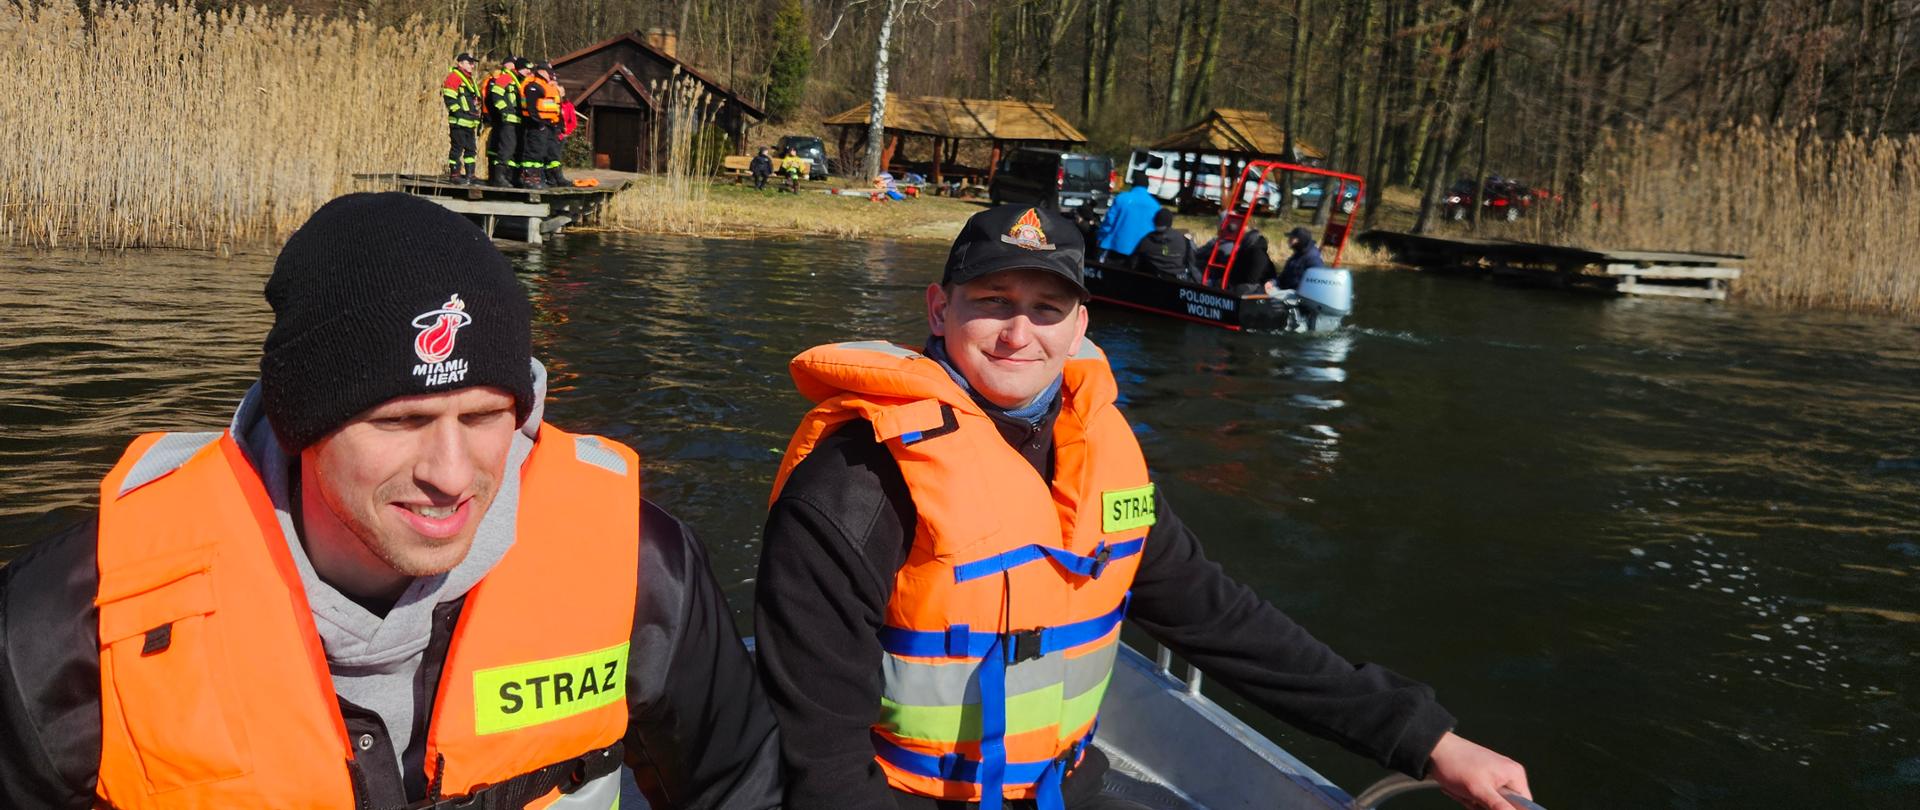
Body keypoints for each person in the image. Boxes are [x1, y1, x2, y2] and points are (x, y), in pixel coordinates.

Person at [0, 193, 783, 810]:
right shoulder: (71, 623)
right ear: (300, 421)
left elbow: (740, 780)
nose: (452, 473)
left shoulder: (638, 566)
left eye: (483, 417)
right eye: (401, 422)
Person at [754, 204, 1532, 810]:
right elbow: (822, 757)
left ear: (1082, 325)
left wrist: (1428, 740)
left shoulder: (1097, 459)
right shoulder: (855, 483)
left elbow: (1221, 621)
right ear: (937, 309)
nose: (1019, 332)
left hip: (1065, 784)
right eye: (992, 300)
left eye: (1047, 308)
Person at [518, 61, 563, 189]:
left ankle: (535, 179)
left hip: (544, 124)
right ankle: (529, 179)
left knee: (539, 152)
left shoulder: (543, 85)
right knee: (533, 151)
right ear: (542, 72)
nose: (551, 76)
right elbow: (531, 107)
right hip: (535, 125)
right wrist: (539, 123)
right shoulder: (533, 86)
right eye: (550, 73)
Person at [483, 55, 525, 187]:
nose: (515, 67)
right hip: (504, 120)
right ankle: (498, 177)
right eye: (512, 64)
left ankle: (509, 176)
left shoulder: (516, 79)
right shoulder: (505, 78)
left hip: (514, 120)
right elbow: (496, 95)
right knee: (505, 148)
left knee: (512, 149)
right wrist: (504, 111)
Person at [440, 53, 482, 184]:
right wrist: (458, 112)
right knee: (457, 148)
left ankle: (471, 175)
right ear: (460, 63)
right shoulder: (454, 77)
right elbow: (449, 96)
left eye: (472, 63)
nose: (472, 65)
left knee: (471, 149)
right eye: (469, 63)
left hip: (470, 121)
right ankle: (455, 175)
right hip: (459, 121)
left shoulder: (469, 79)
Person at [1094, 184, 1162, 261]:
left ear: (1133, 184)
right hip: (1141, 250)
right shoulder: (1155, 205)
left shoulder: (1122, 198)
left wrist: (1101, 236)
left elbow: (1109, 220)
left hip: (1117, 246)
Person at [1130, 208, 1196, 281]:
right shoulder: (1183, 239)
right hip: (1177, 280)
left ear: (1155, 222)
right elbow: (1191, 261)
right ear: (1170, 222)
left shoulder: (1146, 240)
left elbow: (1134, 262)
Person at [1277, 225, 1325, 292]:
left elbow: (1317, 283)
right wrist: (1273, 282)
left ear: (1301, 240)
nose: (1288, 241)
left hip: (1297, 295)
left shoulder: (1313, 258)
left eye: (1292, 238)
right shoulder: (1297, 254)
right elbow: (1284, 276)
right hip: (1284, 290)